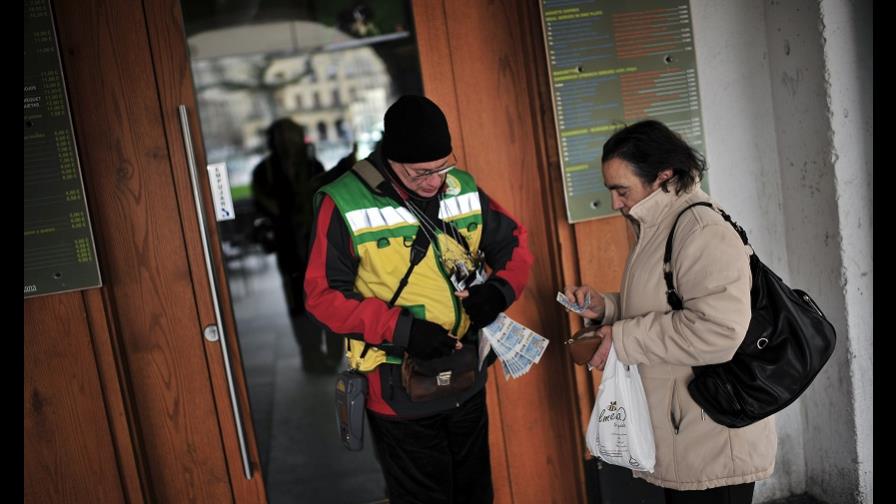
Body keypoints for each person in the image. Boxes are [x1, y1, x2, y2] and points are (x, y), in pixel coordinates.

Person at [304, 95, 532, 503]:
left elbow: (515, 243)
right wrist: (403, 330)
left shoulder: (461, 186)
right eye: (421, 173)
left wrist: (498, 292)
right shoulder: (343, 202)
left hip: (466, 376)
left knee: (477, 495)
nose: (435, 182)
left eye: (443, 166)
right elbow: (322, 297)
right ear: (391, 159)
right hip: (396, 387)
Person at [563, 120, 776, 504]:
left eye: (621, 190)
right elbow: (666, 303)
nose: (615, 203)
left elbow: (719, 330)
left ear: (662, 177)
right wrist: (606, 307)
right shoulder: (658, 227)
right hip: (685, 430)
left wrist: (622, 339)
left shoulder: (699, 230)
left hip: (713, 436)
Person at [251, 118, 341, 373]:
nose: (287, 144)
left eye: (290, 137)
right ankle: (311, 355)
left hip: (318, 245)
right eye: (282, 139)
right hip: (290, 248)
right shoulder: (265, 171)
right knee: (298, 303)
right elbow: (263, 206)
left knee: (329, 296)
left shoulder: (313, 166)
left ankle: (334, 353)